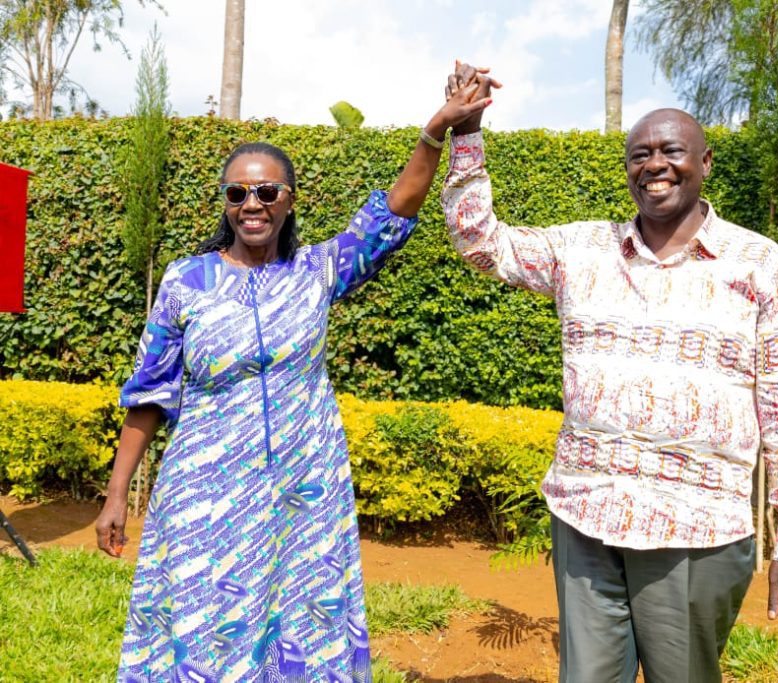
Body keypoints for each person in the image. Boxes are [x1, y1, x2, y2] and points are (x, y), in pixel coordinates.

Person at [94, 73, 493, 682]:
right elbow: (149, 393)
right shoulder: (185, 281)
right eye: (237, 194)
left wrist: (435, 131)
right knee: (206, 620)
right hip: (207, 491)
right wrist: (117, 494)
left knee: (303, 618)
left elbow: (393, 213)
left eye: (266, 192)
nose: (251, 204)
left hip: (303, 490)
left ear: (289, 199)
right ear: (225, 204)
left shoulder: (318, 271)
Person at [441, 65, 778, 683]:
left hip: (698, 530)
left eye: (671, 151)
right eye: (639, 154)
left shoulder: (762, 267)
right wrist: (467, 134)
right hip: (586, 517)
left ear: (704, 162)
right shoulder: (583, 251)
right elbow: (481, 242)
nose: (655, 164)